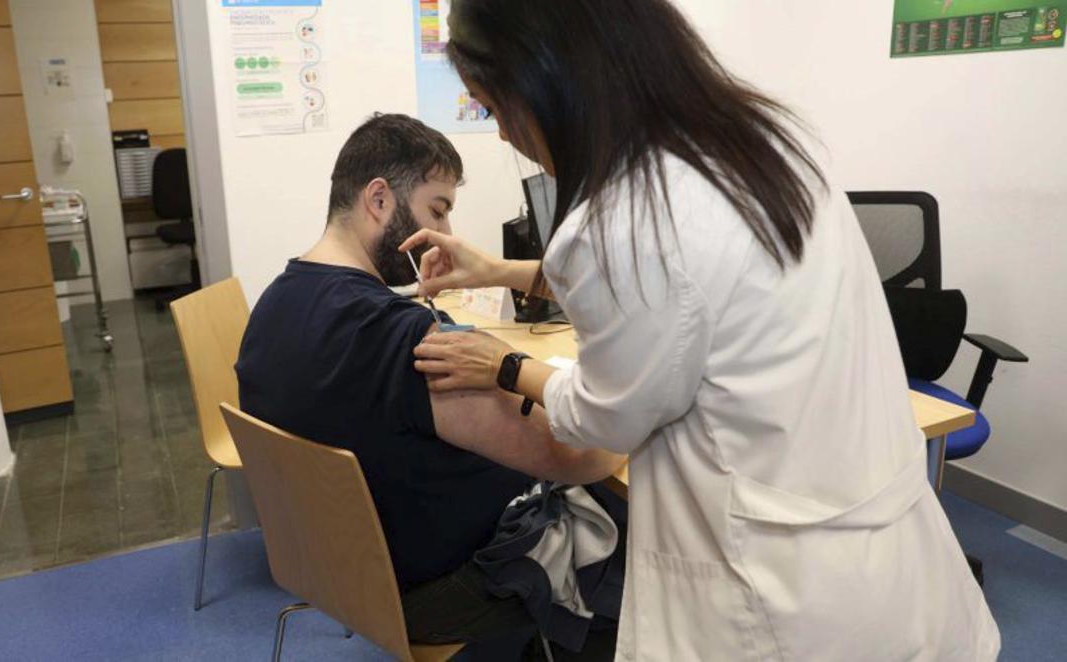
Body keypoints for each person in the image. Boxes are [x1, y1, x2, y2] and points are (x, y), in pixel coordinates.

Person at [399, 0, 1001, 659]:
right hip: (874, 531)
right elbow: (678, 291)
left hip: (776, 584)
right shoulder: (764, 141)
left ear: (548, 80)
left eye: (492, 109)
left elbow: (604, 419)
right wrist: (499, 270)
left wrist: (504, 365)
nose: (503, 136)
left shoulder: (626, 219)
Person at [234, 113, 624, 659]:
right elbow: (585, 454)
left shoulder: (272, 306)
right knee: (628, 519)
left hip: (338, 574)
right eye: (437, 210)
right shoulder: (409, 341)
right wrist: (625, 394)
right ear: (379, 199)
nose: (446, 234)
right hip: (442, 589)